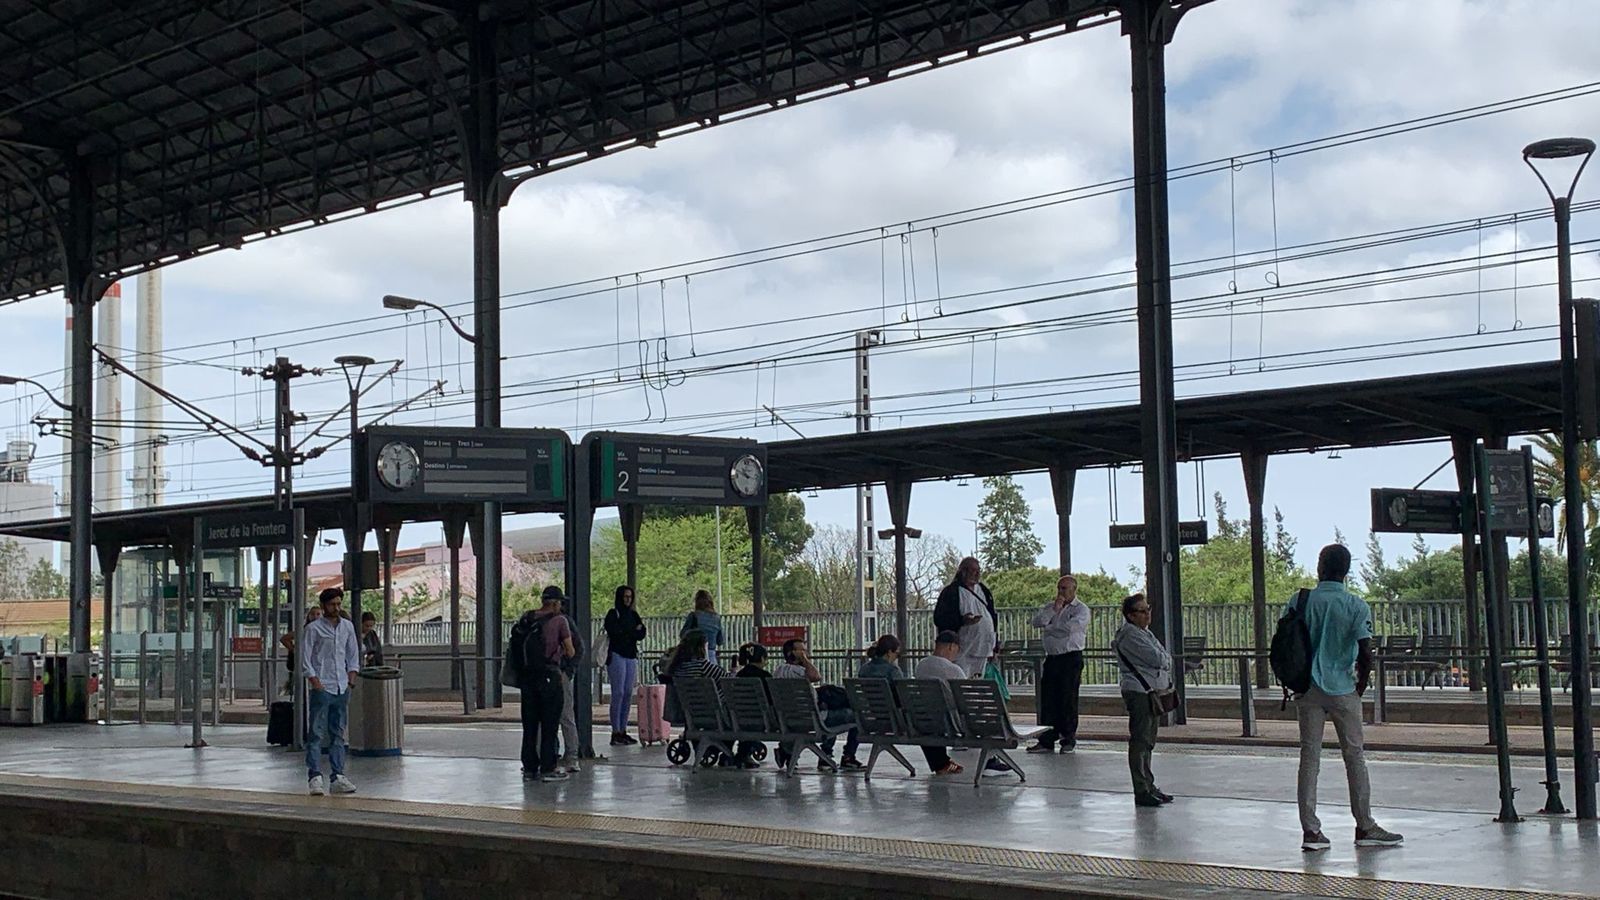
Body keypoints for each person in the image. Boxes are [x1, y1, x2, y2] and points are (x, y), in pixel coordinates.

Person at [1291, 544, 1404, 851]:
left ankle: (1311, 831)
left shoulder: (1300, 601)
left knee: (1309, 758)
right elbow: (1365, 652)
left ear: (1320, 566)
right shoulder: (1356, 605)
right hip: (1343, 688)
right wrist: (1360, 687)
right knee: (1354, 757)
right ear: (1346, 571)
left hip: (1308, 689)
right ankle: (1365, 825)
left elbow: (1288, 642)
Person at [1111, 593, 1172, 808]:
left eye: (1148, 609)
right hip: (1139, 691)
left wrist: (1164, 659)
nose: (1147, 614)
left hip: (1149, 690)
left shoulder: (1144, 632)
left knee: (1148, 740)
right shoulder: (1130, 636)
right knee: (1140, 740)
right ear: (1130, 615)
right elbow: (1159, 658)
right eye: (1142, 611)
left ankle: (1149, 784)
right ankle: (1141, 788)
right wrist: (1163, 659)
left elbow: (1165, 658)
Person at [301, 587, 361, 796]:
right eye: (332, 604)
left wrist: (351, 678)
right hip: (323, 684)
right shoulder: (314, 629)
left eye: (338, 603)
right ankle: (315, 776)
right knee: (316, 731)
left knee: (338, 732)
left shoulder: (347, 627)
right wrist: (314, 681)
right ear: (324, 606)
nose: (336, 608)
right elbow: (306, 656)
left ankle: (337, 775)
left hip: (342, 685)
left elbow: (353, 653)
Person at [773, 638, 862, 771]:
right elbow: (816, 676)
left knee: (829, 708)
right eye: (802, 650)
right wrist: (804, 659)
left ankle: (788, 750)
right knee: (854, 715)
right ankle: (844, 756)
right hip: (813, 719)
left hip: (789, 718)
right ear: (792, 653)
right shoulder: (799, 672)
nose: (806, 652)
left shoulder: (778, 671)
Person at [515, 586, 574, 783]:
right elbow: (570, 650)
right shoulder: (560, 621)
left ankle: (530, 768)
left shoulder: (527, 617)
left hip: (527, 678)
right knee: (549, 724)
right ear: (556, 603)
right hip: (549, 676)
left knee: (530, 725)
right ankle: (548, 767)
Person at [1028, 575, 1090, 753]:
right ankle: (1046, 740)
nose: (1061, 592)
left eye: (1065, 588)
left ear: (1073, 590)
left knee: (1067, 698)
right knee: (1048, 699)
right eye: (1059, 588)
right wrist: (1053, 611)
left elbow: (1070, 629)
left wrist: (1049, 628)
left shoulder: (1081, 609)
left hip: (1070, 658)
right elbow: (1037, 622)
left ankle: (1068, 739)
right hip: (1052, 657)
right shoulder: (1051, 607)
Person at [912, 630, 968, 776]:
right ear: (951, 647)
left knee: (930, 722)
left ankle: (942, 763)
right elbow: (965, 698)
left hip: (923, 721)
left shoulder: (921, 665)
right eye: (957, 649)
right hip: (949, 723)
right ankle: (990, 761)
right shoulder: (953, 669)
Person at [934, 558, 998, 678]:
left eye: (978, 571)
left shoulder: (984, 591)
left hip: (983, 647)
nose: (977, 574)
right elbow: (940, 618)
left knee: (978, 682)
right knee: (961, 679)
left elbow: (992, 616)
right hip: (963, 650)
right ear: (963, 571)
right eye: (973, 570)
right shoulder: (951, 592)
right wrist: (962, 620)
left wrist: (995, 645)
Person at [603, 584, 647, 746]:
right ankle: (616, 730)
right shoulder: (613, 614)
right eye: (625, 597)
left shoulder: (633, 614)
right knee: (618, 692)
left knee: (628, 692)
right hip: (617, 655)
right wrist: (632, 631)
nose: (628, 600)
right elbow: (615, 632)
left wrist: (628, 631)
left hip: (630, 655)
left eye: (630, 597)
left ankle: (623, 729)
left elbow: (641, 633)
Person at [556, 595, 585, 774]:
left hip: (558, 672)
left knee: (563, 716)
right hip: (559, 672)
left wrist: (568, 670)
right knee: (565, 716)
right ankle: (569, 756)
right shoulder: (562, 621)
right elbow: (577, 649)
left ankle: (570, 755)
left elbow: (577, 649)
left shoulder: (564, 622)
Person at [681, 590, 724, 665]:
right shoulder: (717, 618)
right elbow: (720, 641)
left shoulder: (693, 616)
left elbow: (682, 635)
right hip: (711, 658)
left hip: (695, 657)